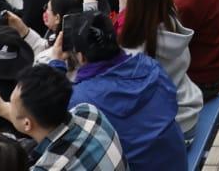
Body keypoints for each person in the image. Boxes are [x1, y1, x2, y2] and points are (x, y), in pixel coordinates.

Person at [55, 9, 184, 170]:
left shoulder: (81, 100)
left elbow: (51, 119)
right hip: (176, 161)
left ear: (81, 57)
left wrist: (56, 65)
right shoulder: (151, 66)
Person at [104, 0, 202, 137]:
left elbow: (105, 75)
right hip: (187, 111)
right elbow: (133, 15)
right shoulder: (169, 14)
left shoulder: (136, 41)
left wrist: (89, 2)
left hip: (169, 127)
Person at [0, 66, 126, 171]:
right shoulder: (90, 113)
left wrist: (1, 109)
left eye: (11, 103)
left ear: (27, 124)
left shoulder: (46, 167)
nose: (7, 105)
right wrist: (1, 108)